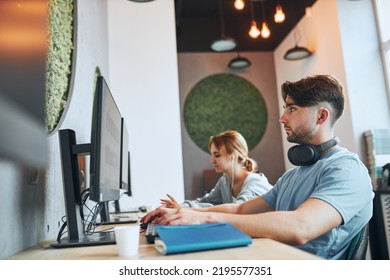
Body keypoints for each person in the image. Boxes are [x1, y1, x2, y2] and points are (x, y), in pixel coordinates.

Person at [141, 75, 374, 259]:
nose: (282, 118)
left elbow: (300, 227)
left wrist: (204, 219)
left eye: (291, 109)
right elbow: (240, 210)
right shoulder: (293, 175)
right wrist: (184, 213)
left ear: (321, 116)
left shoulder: (347, 171)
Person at [160, 130, 273, 208]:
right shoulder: (225, 181)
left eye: (217, 155)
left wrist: (185, 210)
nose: (212, 161)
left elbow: (238, 209)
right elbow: (205, 202)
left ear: (233, 155)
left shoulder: (255, 182)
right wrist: (180, 206)